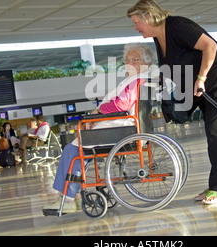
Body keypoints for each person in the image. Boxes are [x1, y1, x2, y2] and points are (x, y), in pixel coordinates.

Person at [127, 0, 217, 205]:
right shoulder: (159, 38)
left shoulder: (177, 26)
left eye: (136, 22)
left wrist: (202, 78)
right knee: (178, 114)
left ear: (148, 17)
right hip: (193, 82)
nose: (135, 27)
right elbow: (170, 67)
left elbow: (210, 47)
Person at [42, 43, 156, 213]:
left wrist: (97, 112)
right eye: (127, 60)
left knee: (71, 151)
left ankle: (67, 198)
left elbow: (121, 104)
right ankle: (73, 195)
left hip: (120, 128)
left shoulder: (136, 81)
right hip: (126, 127)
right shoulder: (143, 79)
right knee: (78, 151)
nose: (129, 63)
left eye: (135, 60)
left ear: (146, 63)